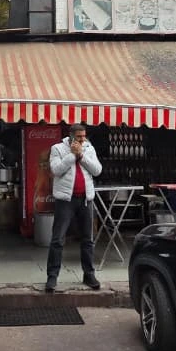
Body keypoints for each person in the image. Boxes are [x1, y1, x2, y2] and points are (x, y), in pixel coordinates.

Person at [45, 124, 102, 293]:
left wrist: (81, 156)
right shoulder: (57, 148)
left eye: (84, 136)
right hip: (65, 200)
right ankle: (52, 276)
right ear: (70, 136)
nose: (82, 139)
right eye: (79, 137)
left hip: (85, 199)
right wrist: (72, 155)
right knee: (58, 239)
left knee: (87, 239)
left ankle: (89, 274)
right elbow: (56, 170)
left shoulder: (89, 148)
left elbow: (97, 170)